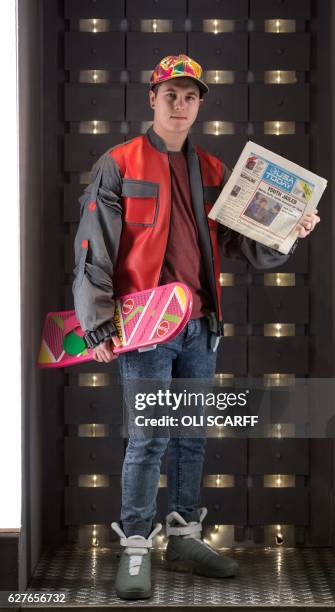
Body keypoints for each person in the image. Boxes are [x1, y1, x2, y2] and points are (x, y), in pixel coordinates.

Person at [72, 54, 320, 600]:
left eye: (190, 96)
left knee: (189, 438)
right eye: (170, 95)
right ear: (152, 99)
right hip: (144, 327)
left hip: (200, 327)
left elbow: (242, 244)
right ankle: (136, 546)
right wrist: (97, 326)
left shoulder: (214, 171)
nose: (179, 105)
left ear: (200, 103)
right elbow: (93, 247)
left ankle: (184, 536)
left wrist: (288, 231)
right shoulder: (119, 163)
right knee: (147, 438)